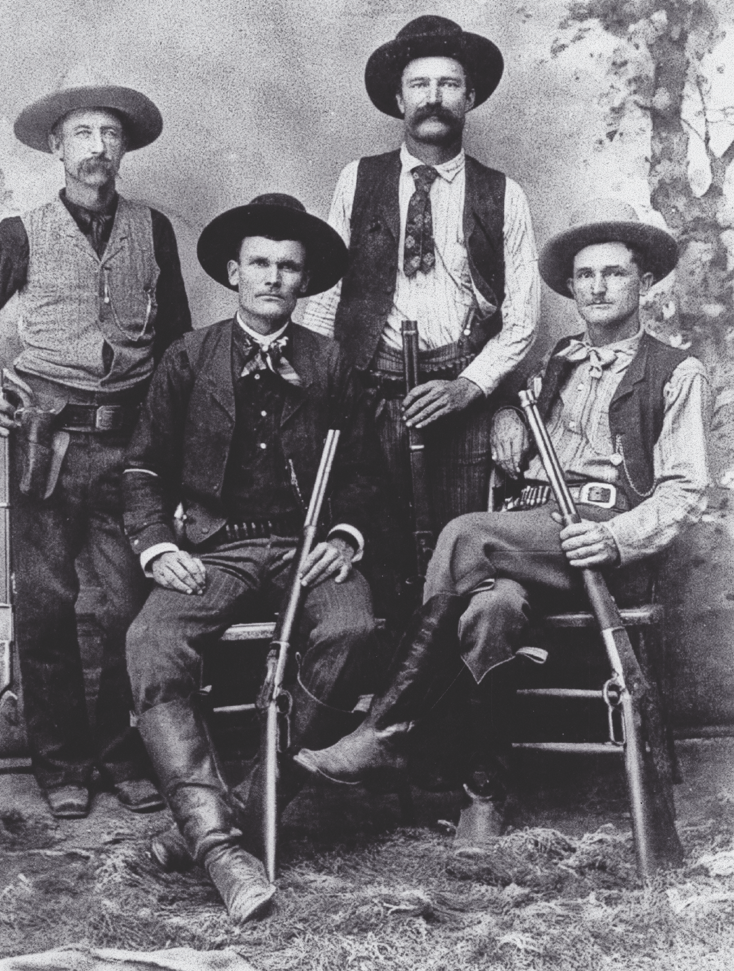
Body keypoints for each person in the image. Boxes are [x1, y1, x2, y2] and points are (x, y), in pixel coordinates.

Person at [295, 198, 714, 839]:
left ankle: (389, 731)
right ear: (571, 289)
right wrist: (507, 416)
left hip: (596, 545)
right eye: (585, 276)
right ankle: (481, 789)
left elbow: (684, 493)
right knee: (491, 609)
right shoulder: (559, 364)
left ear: (646, 283)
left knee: (463, 533)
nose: (598, 287)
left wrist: (613, 537)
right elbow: (529, 434)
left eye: (615, 273)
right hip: (526, 535)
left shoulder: (675, 372)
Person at [123, 193, 383, 923]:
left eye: (288, 267)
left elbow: (364, 472)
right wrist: (158, 546)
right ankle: (220, 848)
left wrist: (343, 537)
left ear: (305, 283)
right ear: (234, 272)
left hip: (306, 547)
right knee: (150, 640)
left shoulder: (329, 361)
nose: (273, 277)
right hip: (214, 546)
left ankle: (232, 817)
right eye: (260, 264)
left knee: (352, 631)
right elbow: (142, 467)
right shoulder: (189, 356)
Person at [0, 85, 192, 819]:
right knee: (46, 605)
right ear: (56, 148)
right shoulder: (18, 232)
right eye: (82, 133)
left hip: (132, 442)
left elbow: (175, 336)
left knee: (128, 605)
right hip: (42, 441)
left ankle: (121, 758)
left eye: (110, 134)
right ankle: (61, 767)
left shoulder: (154, 230)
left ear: (125, 148)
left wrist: (171, 433)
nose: (97, 147)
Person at [299, 14, 540, 593]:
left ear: (470, 97)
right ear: (398, 98)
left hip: (460, 400)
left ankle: (455, 685)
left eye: (449, 84)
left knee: (460, 558)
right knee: (370, 548)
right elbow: (324, 293)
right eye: (420, 85)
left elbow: (523, 318)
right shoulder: (356, 181)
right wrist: (317, 391)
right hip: (370, 395)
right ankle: (386, 683)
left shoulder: (503, 193)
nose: (434, 98)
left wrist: (469, 389)